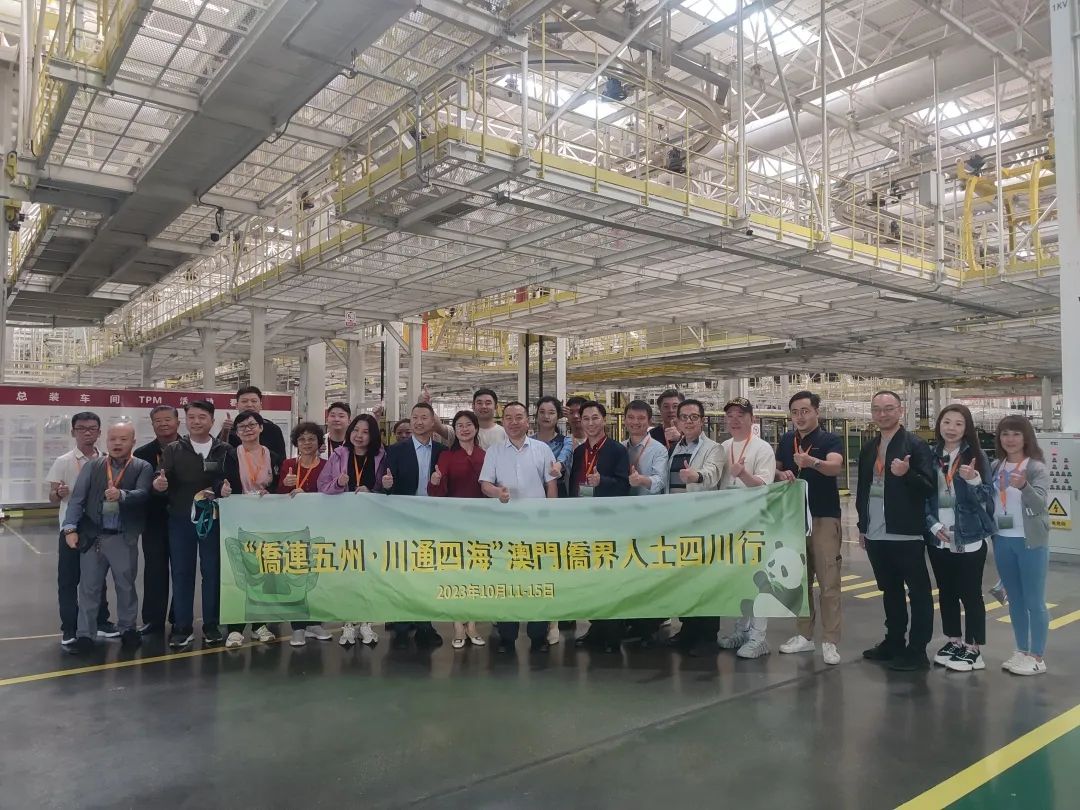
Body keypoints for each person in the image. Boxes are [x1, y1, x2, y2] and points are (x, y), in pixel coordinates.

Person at [856, 390, 936, 671]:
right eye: (877, 409)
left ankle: (917, 650)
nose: (882, 414)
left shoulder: (915, 445)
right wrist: (863, 526)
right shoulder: (869, 447)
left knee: (919, 593)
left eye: (888, 408)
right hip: (876, 533)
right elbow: (863, 489)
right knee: (890, 591)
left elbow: (929, 486)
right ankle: (894, 642)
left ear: (900, 411)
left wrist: (907, 474)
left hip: (906, 533)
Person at [155, 400, 242, 649]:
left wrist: (225, 488)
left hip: (213, 520)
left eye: (202, 417)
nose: (196, 422)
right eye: (191, 417)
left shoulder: (224, 449)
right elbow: (162, 476)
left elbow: (231, 481)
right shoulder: (173, 449)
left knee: (212, 572)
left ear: (212, 421)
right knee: (181, 573)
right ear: (185, 421)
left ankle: (211, 625)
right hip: (181, 520)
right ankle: (182, 627)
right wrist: (159, 484)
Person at [62, 423, 153, 654]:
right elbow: (77, 499)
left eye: (123, 439)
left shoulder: (142, 466)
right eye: (113, 439)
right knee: (89, 588)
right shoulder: (93, 466)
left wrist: (121, 494)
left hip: (123, 537)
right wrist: (70, 529)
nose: (117, 443)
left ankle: (128, 629)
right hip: (93, 536)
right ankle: (85, 634)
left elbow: (144, 493)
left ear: (133, 442)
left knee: (126, 586)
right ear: (106, 441)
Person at [479, 401, 559, 653]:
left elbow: (551, 485)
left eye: (519, 417)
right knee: (507, 582)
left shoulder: (542, 449)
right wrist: (497, 492)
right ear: (503, 421)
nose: (514, 422)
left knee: (538, 582)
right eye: (508, 418)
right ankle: (507, 636)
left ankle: (538, 636)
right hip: (505, 527)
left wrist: (551, 517)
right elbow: (485, 484)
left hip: (537, 527)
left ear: (527, 420)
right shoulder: (494, 451)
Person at [775, 391, 846, 666]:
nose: (800, 417)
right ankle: (804, 635)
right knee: (800, 582)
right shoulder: (786, 440)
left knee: (829, 582)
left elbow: (834, 467)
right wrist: (781, 474)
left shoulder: (829, 440)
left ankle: (830, 641)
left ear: (817, 411)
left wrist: (812, 462)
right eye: (795, 412)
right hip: (794, 519)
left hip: (823, 518)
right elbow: (775, 470)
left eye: (805, 411)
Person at [924, 405, 996, 672]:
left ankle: (974, 648)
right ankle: (954, 640)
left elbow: (987, 496)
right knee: (946, 592)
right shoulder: (931, 455)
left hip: (969, 535)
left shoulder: (976, 456)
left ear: (966, 428)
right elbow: (922, 495)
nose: (951, 428)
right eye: (947, 422)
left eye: (958, 423)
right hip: (939, 536)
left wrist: (974, 480)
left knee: (970, 593)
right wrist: (932, 525)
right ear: (939, 425)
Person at [378, 402, 445, 649]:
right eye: (415, 417)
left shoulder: (442, 451)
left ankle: (425, 624)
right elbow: (385, 484)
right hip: (403, 519)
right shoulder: (396, 450)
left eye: (424, 417)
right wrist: (386, 485)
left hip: (432, 519)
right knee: (403, 571)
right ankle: (402, 624)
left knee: (427, 571)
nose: (418, 422)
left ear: (433, 421)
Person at [716, 397, 779, 660]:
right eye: (730, 415)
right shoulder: (723, 447)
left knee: (759, 581)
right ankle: (742, 629)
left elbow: (764, 486)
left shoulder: (762, 448)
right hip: (731, 525)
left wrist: (742, 474)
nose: (734, 420)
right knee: (739, 580)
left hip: (755, 524)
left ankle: (759, 638)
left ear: (751, 419)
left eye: (740, 415)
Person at [47, 411, 114, 646]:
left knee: (98, 578)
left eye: (92, 428)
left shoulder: (107, 460)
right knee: (69, 579)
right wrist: (58, 493)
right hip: (71, 528)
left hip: (100, 527)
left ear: (99, 432)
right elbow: (52, 497)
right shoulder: (64, 461)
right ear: (73, 432)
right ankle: (69, 627)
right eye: (82, 428)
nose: (87, 432)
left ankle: (101, 622)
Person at [663, 398, 724, 654]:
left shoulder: (713, 448)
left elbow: (712, 473)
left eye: (694, 417)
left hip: (702, 523)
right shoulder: (675, 448)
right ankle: (688, 629)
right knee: (685, 579)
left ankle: (707, 636)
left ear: (702, 420)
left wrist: (696, 475)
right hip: (678, 523)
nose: (689, 421)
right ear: (677, 421)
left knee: (705, 580)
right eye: (684, 417)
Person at [991, 416, 1052, 676]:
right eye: (1005, 434)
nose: (1010, 439)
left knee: (1034, 600)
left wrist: (1024, 486)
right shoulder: (995, 466)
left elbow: (1039, 505)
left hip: (1030, 541)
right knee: (1014, 599)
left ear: (1026, 437)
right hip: (1002, 540)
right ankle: (1021, 650)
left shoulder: (1036, 468)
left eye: (1016, 434)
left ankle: (1037, 656)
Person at [317, 413, 384, 646]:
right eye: (356, 430)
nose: (359, 435)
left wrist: (373, 491)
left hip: (371, 525)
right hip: (344, 524)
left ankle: (366, 622)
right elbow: (322, 485)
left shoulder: (381, 456)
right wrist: (338, 484)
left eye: (365, 432)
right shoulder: (338, 455)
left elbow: (386, 489)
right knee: (347, 573)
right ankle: (347, 623)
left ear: (373, 435)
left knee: (368, 574)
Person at [570, 402, 630, 653]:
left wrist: (601, 481)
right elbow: (573, 485)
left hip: (609, 523)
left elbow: (624, 485)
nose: (590, 423)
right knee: (591, 579)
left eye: (595, 418)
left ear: (604, 420)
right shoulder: (578, 452)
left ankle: (613, 634)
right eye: (586, 418)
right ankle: (596, 628)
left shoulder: (617, 450)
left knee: (611, 579)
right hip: (584, 522)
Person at [223, 410, 285, 649]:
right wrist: (222, 488)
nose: (247, 430)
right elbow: (219, 480)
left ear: (261, 427)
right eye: (242, 427)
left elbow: (280, 487)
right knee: (237, 572)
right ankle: (235, 627)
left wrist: (274, 492)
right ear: (237, 433)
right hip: (237, 520)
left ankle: (260, 624)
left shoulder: (274, 457)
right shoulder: (230, 455)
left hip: (267, 522)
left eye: (252, 425)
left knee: (264, 572)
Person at [428, 410, 488, 649]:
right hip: (453, 524)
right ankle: (457, 625)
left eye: (468, 424)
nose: (464, 429)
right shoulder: (446, 456)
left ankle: (472, 624)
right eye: (459, 425)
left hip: (480, 523)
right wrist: (434, 482)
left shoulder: (486, 455)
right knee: (455, 572)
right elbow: (437, 492)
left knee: (476, 573)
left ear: (476, 428)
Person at [277, 421, 334, 647]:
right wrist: (285, 484)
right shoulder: (289, 465)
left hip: (320, 528)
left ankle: (315, 623)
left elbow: (331, 493)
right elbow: (278, 495)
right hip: (294, 529)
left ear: (319, 442)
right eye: (302, 439)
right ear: (296, 443)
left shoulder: (327, 465)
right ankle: (298, 627)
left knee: (317, 577)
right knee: (296, 576)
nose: (307, 443)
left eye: (311, 439)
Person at [622, 399, 670, 647]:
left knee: (649, 572)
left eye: (641, 419)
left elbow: (660, 481)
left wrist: (642, 480)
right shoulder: (620, 448)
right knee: (629, 572)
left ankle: (649, 627)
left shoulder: (658, 450)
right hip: (625, 520)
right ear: (625, 420)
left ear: (649, 421)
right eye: (631, 418)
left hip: (650, 520)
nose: (636, 423)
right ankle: (632, 621)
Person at [134, 405, 180, 635]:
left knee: (182, 570)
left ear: (178, 422)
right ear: (152, 425)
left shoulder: (190, 448)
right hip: (153, 520)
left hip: (182, 517)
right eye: (158, 421)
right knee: (154, 570)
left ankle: (179, 616)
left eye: (167, 419)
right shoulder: (142, 454)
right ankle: (153, 619)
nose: (163, 424)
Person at [219, 386, 287, 459]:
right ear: (237, 405)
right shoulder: (230, 429)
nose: (249, 405)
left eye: (254, 401)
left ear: (261, 405)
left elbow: (281, 459)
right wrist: (225, 432)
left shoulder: (273, 429)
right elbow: (219, 455)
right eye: (244, 401)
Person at [533, 396, 573, 498]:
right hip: (532, 493)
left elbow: (564, 458)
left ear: (558, 416)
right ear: (536, 415)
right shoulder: (529, 441)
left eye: (551, 413)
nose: (546, 416)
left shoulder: (566, 442)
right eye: (542, 412)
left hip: (559, 494)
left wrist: (557, 467)